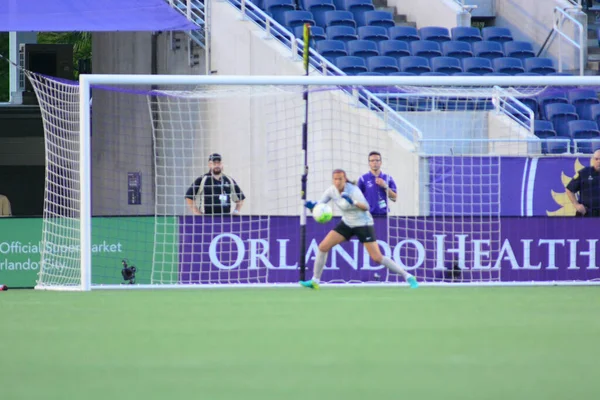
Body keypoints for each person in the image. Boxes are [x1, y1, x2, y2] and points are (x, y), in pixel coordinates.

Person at [300, 169, 418, 289]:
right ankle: (315, 281)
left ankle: (408, 276)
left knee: (377, 257)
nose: (337, 181)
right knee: (323, 247)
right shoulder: (331, 191)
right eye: (335, 179)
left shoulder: (353, 190)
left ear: (345, 179)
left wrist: (353, 202)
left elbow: (366, 207)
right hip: (347, 223)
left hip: (363, 224)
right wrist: (313, 207)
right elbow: (320, 206)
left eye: (340, 179)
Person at [357, 151, 397, 216]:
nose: (375, 162)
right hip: (368, 216)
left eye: (377, 160)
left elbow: (394, 198)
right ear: (369, 163)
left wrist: (385, 186)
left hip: (384, 216)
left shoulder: (388, 178)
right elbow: (357, 198)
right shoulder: (363, 179)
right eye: (372, 161)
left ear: (381, 163)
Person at [566, 150, 600, 217]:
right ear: (593, 160)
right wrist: (576, 205)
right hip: (587, 214)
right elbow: (569, 189)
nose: (599, 161)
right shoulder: (584, 173)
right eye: (596, 159)